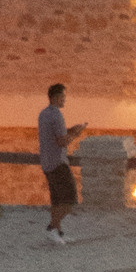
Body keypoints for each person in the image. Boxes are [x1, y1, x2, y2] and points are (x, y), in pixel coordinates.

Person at [37, 83, 85, 243]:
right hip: (58, 163)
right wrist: (76, 134)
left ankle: (57, 232)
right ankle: (52, 228)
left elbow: (55, 134)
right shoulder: (56, 115)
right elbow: (62, 141)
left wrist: (71, 130)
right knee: (69, 201)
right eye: (63, 97)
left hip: (47, 163)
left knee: (56, 200)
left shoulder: (43, 114)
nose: (65, 99)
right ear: (57, 97)